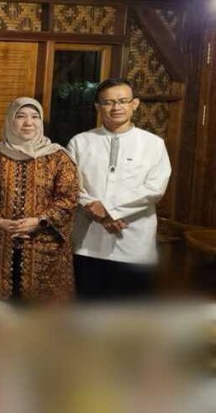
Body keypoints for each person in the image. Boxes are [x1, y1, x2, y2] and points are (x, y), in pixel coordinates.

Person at [67, 78, 171, 300]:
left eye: (123, 101)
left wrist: (109, 210)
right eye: (108, 102)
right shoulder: (80, 142)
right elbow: (70, 185)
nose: (116, 107)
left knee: (129, 310)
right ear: (98, 107)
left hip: (133, 241)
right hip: (88, 241)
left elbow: (155, 188)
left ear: (135, 104)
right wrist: (97, 212)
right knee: (88, 307)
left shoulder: (153, 144)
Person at [0, 97, 79, 303]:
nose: (28, 123)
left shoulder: (58, 157)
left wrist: (39, 221)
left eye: (35, 117)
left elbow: (68, 198)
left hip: (45, 245)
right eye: (20, 116)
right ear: (10, 120)